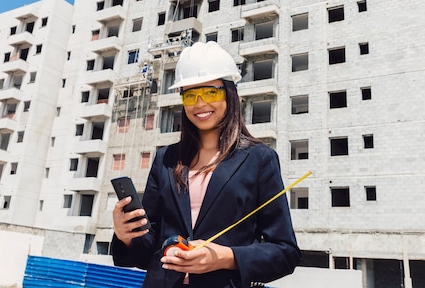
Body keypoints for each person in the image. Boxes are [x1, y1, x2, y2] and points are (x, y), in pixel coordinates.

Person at [111, 41, 301, 288]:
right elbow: (148, 251)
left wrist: (225, 257)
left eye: (211, 92)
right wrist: (125, 236)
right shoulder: (166, 160)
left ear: (230, 93)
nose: (200, 103)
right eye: (190, 95)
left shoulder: (259, 159)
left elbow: (285, 252)